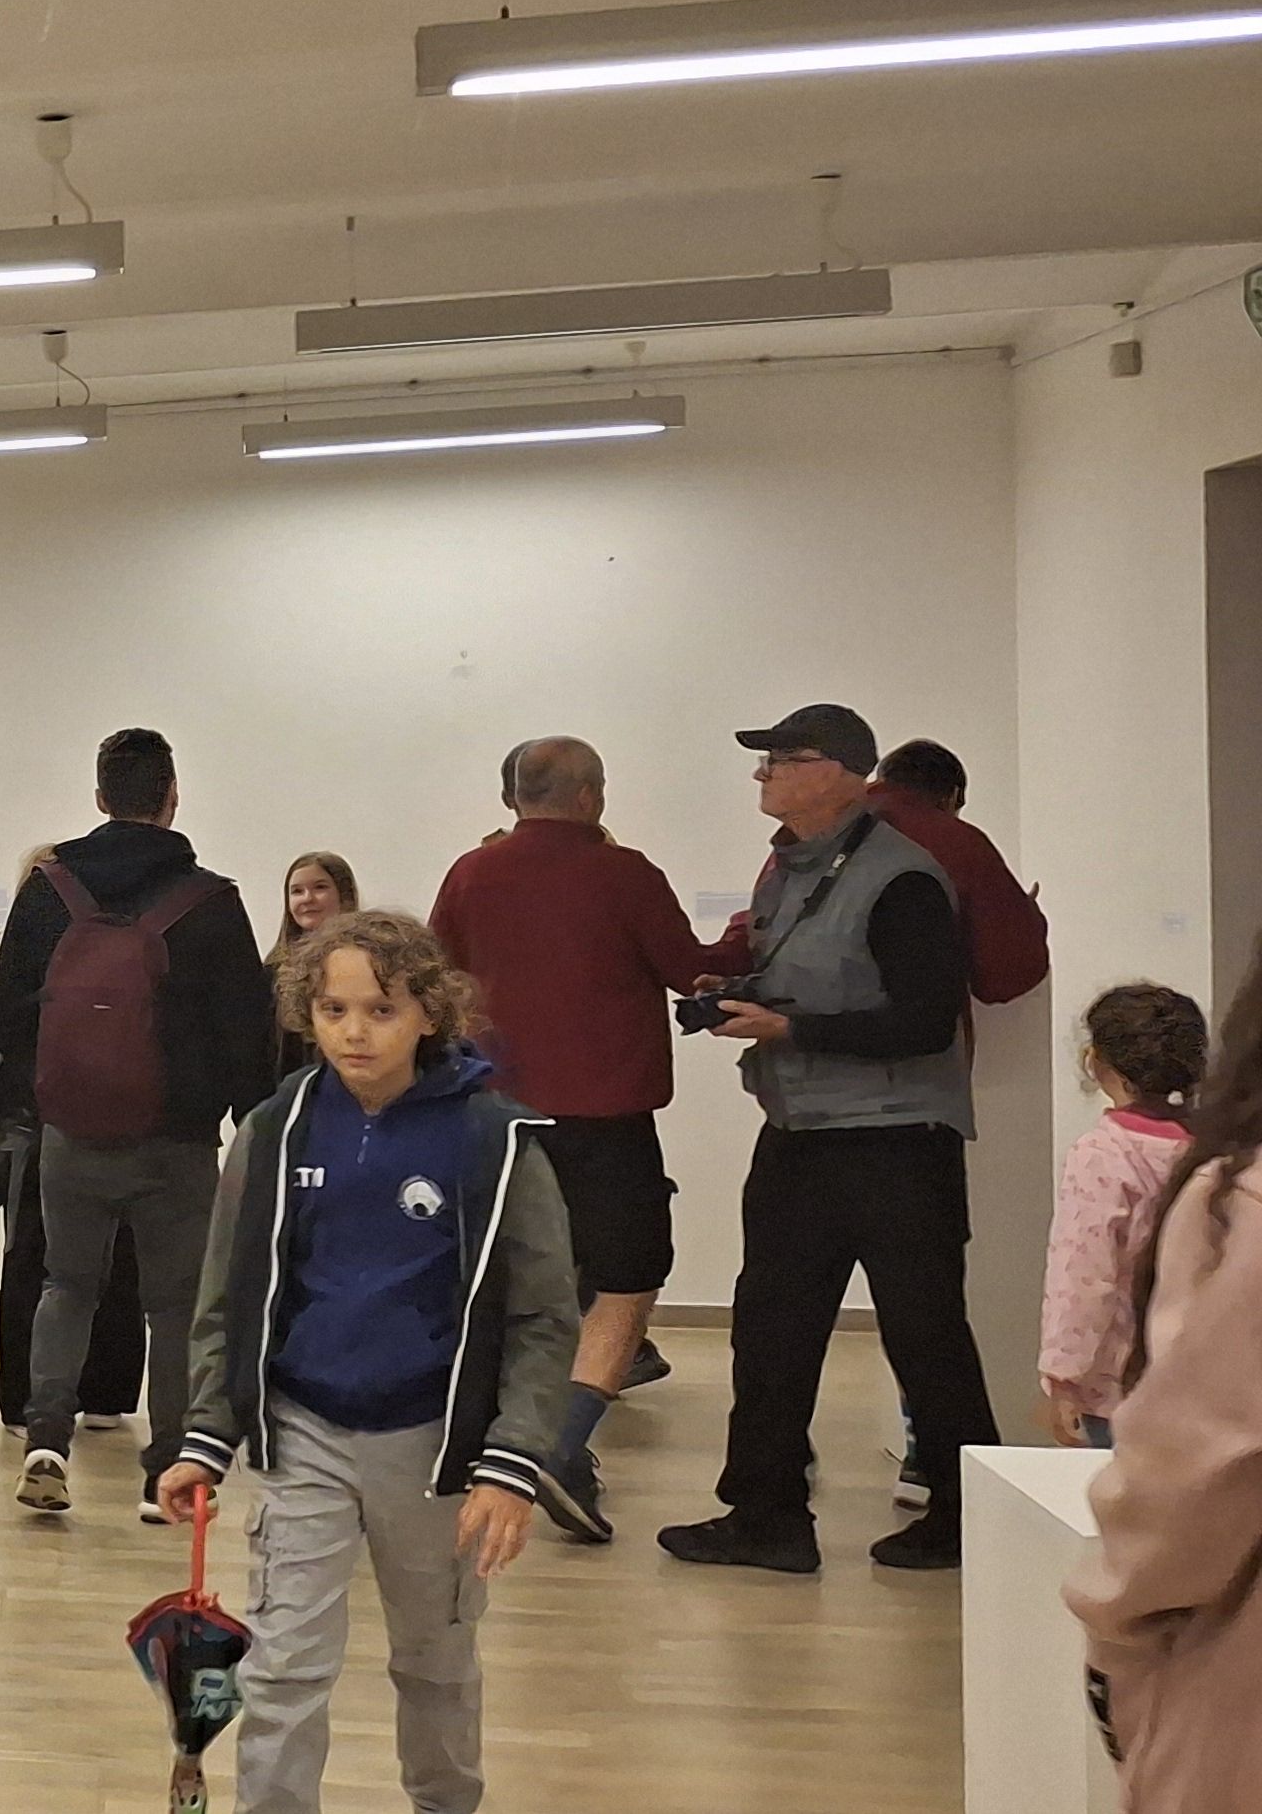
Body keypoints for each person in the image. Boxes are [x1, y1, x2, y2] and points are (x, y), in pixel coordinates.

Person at [161, 911, 577, 1814]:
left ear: (429, 1012)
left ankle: (443, 1803)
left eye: (381, 1010)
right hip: (303, 1433)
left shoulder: (492, 1139)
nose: (355, 1031)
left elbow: (545, 1317)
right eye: (333, 1009)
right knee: (281, 1668)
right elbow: (227, 1294)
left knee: (435, 1663)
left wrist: (511, 1460)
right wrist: (206, 1435)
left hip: (433, 1446)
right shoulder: (275, 1130)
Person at [660, 703, 1001, 1575]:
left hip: (897, 1144)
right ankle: (766, 1516)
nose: (763, 772)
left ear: (841, 774)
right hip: (801, 1132)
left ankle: (970, 1521)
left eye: (782, 758)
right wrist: (739, 990)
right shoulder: (788, 869)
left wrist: (790, 1028)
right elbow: (816, 975)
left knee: (925, 1337)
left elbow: (924, 1022)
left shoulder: (903, 878)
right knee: (770, 1331)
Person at [0, 727, 271, 1520]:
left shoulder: (48, 890)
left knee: (66, 1286)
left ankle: (45, 1440)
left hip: (70, 1133)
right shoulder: (212, 901)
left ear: (101, 798)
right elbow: (248, 1033)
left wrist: (38, 1100)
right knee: (174, 1305)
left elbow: (7, 1005)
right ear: (172, 798)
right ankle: (167, 1470)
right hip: (178, 1141)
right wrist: (254, 1129)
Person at [425, 736, 715, 1545]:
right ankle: (562, 1440)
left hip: (499, 1117)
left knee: (507, 1284)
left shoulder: (470, 875)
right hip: (609, 1118)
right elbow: (688, 968)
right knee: (625, 1279)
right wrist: (747, 938)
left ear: (514, 797)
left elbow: (436, 980)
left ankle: (492, 1448)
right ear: (589, 795)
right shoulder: (626, 874)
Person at [1066, 947, 1262, 1807]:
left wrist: (1063, 1369)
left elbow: (1081, 1272)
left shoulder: (1227, 1188)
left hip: (1136, 1389)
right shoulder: (1202, 1160)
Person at [0, 842, 145, 1442]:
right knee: (33, 1262)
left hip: (107, 1124)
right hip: (36, 1129)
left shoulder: (109, 958)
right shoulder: (20, 967)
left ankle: (105, 1392)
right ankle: (24, 1401)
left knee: (116, 1260)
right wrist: (31, 1080)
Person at [1039, 983, 1205, 1451]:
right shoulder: (1215, 1150)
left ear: (1096, 1061)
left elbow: (1084, 1273)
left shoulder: (1102, 1154)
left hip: (1118, 1382)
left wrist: (1063, 1376)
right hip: (1205, 1374)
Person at [866, 738, 1052, 1006]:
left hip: (810, 1016)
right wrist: (1024, 913)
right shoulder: (957, 841)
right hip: (906, 1018)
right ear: (951, 797)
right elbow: (1006, 974)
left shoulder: (826, 821)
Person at [271, 853, 358, 1080]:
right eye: (297, 891)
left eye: (320, 888)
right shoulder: (274, 968)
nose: (307, 898)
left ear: (344, 894)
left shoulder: (363, 961)